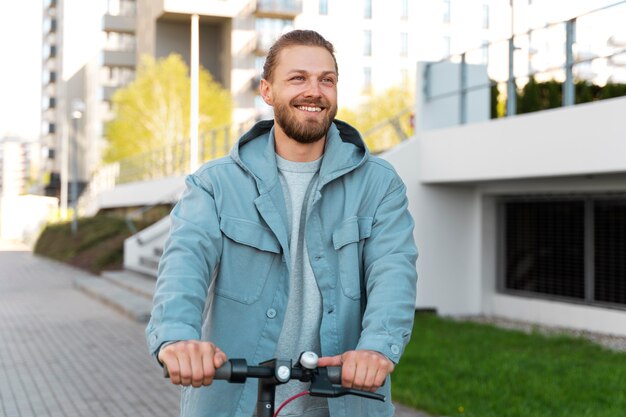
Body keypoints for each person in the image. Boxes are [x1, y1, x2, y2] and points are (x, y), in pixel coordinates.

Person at [146, 29, 418, 417]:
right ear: (267, 91)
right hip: (235, 400)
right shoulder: (215, 184)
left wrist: (377, 348)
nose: (315, 91)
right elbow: (183, 268)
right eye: (298, 78)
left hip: (345, 402)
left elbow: (394, 273)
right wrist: (176, 339)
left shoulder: (379, 184)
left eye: (327, 80)